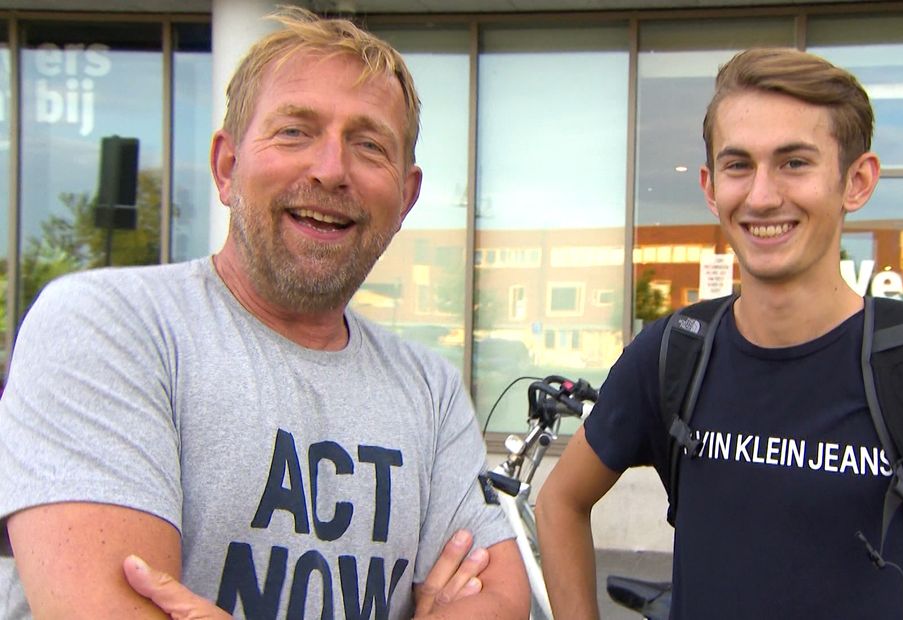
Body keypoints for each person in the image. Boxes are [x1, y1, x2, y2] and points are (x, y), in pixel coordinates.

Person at [535, 47, 903, 619]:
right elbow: (560, 500)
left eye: (794, 162)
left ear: (856, 181)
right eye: (739, 165)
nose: (761, 196)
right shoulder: (673, 353)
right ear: (710, 187)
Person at [0, 7, 528, 619]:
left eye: (369, 145)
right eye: (294, 132)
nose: (331, 170)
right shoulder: (109, 328)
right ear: (227, 167)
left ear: (406, 197)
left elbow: (500, 601)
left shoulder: (430, 391)